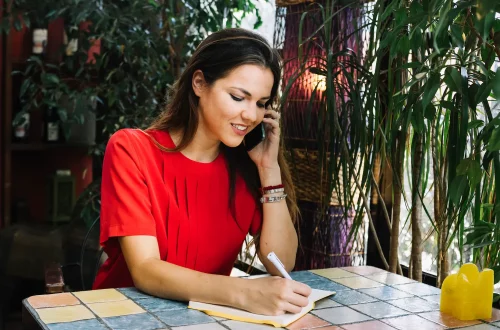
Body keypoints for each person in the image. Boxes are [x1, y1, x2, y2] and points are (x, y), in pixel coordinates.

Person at [92, 27, 311, 316]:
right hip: (122, 317)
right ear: (199, 83)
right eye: (238, 97)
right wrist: (243, 292)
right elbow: (145, 270)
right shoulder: (132, 149)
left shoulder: (246, 167)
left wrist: (269, 170)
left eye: (261, 104)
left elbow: (281, 261)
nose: (251, 115)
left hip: (201, 320)